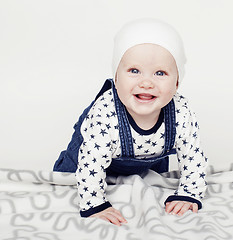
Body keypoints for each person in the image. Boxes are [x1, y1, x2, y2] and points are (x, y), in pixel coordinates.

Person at [53, 18, 208, 226]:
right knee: (63, 184)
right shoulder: (105, 113)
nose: (146, 82)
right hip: (91, 155)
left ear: (177, 83)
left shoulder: (181, 111)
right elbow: (91, 162)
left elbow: (193, 156)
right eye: (134, 71)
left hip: (147, 153)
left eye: (160, 73)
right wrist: (95, 203)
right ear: (116, 78)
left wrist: (189, 192)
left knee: (153, 181)